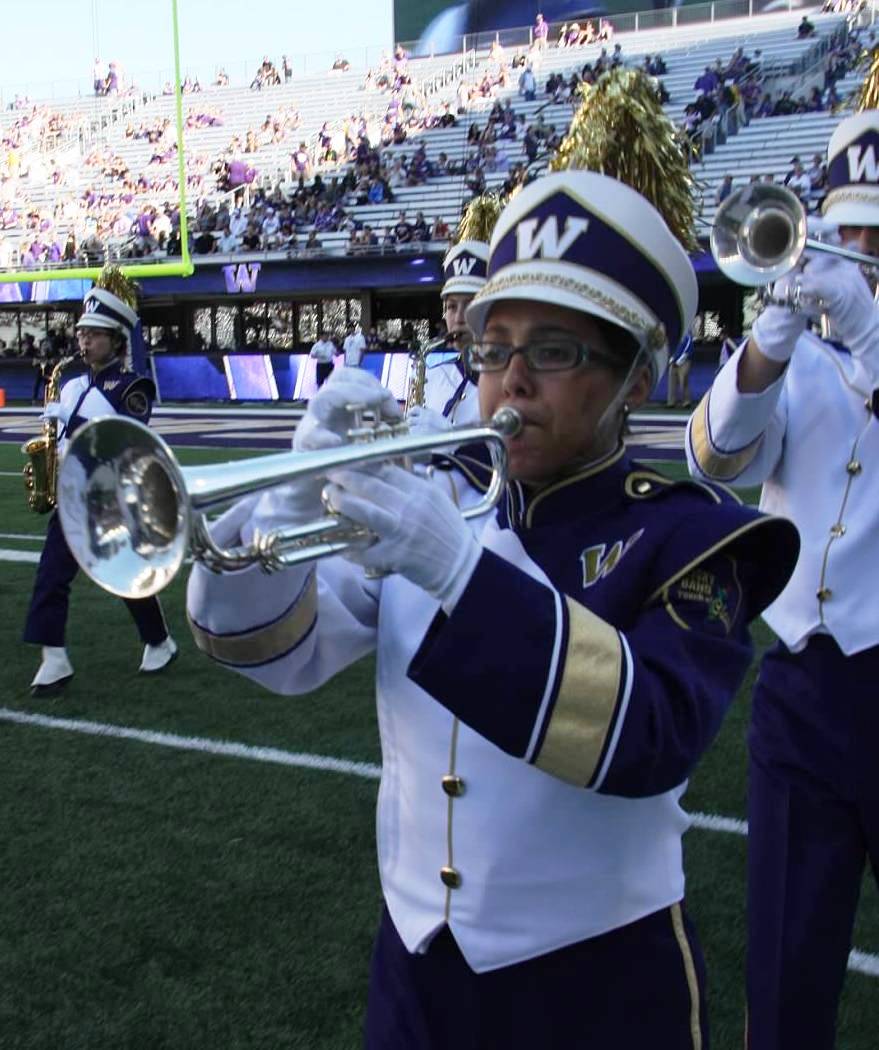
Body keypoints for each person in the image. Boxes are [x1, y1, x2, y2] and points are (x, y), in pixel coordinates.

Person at [186, 169, 798, 1049]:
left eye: (552, 352)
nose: (509, 381)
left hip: (599, 986)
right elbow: (269, 650)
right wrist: (283, 507)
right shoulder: (440, 496)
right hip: (412, 971)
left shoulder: (687, 536)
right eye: (492, 347)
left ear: (633, 379)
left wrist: (458, 571)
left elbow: (649, 736)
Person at [685, 110, 879, 1050]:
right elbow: (712, 458)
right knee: (784, 967)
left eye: (876, 238)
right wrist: (765, 344)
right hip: (802, 683)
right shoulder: (799, 355)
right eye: (850, 233)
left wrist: (871, 334)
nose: (858, 255)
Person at [24, 281, 178, 695]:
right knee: (51, 577)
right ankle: (53, 659)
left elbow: (124, 439)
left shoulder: (133, 387)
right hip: (72, 497)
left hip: (113, 499)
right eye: (81, 334)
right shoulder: (71, 385)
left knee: (125, 577)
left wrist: (71, 421)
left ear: (117, 341)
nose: (84, 341)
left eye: (94, 334)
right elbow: (64, 442)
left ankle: (159, 642)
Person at [408, 240, 489, 435]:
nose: (459, 318)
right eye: (452, 306)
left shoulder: (510, 382)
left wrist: (451, 440)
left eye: (470, 305)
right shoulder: (433, 375)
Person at [666, 329, 693, 408]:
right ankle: (671, 402)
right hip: (674, 362)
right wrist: (672, 359)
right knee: (672, 382)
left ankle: (686, 402)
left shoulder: (688, 337)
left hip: (684, 362)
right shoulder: (679, 338)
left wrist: (678, 362)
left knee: (683, 381)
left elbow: (687, 351)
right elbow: (676, 350)